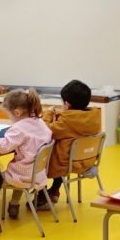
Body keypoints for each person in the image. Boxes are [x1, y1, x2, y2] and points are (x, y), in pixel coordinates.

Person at [0, 88, 52, 235]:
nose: (9, 118)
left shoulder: (19, 129)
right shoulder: (40, 122)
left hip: (22, 176)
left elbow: (3, 146)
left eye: (9, 114)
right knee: (18, 165)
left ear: (17, 112)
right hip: (37, 173)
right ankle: (14, 205)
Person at [37, 80, 102, 208]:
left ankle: (42, 194)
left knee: (41, 154)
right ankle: (54, 190)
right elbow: (72, 123)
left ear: (66, 104)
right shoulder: (94, 116)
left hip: (66, 164)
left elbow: (45, 131)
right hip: (87, 160)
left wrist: (48, 113)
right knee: (64, 144)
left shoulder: (67, 121)